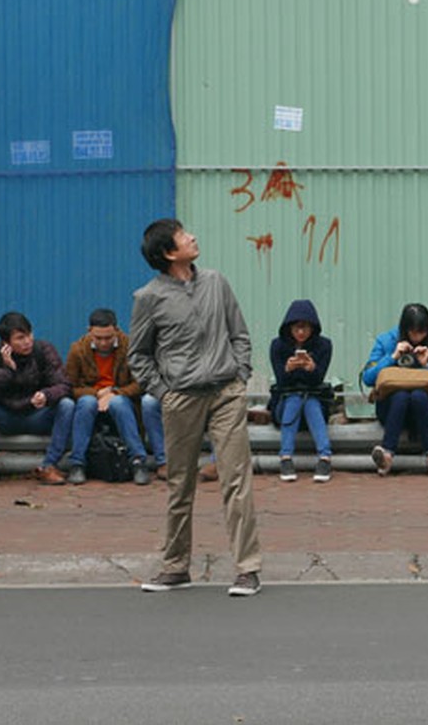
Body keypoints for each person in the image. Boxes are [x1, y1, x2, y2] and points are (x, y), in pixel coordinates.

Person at [128, 219, 262, 597]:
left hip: (225, 392)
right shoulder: (149, 297)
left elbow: (239, 332)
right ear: (170, 253)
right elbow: (138, 354)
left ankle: (247, 569)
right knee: (180, 483)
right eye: (185, 236)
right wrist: (163, 391)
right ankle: (175, 567)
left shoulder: (216, 282)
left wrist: (240, 372)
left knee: (236, 479)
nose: (193, 237)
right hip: (181, 398)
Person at [0, 311, 75, 485]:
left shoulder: (43, 350)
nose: (28, 341)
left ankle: (49, 466)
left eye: (29, 334)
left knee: (67, 405)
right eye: (20, 338)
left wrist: (46, 395)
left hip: (36, 415)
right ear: (6, 343)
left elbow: (65, 385)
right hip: (4, 416)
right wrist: (7, 371)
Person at [64, 308, 166, 486]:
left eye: (108, 337)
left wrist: (114, 393)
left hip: (124, 403)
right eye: (98, 338)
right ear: (89, 332)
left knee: (118, 402)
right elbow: (70, 387)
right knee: (86, 402)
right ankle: (77, 463)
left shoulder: (132, 347)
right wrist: (96, 394)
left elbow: (142, 383)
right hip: (92, 403)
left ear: (116, 330)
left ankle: (138, 461)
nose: (104, 343)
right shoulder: (77, 350)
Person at [361, 303, 428, 476]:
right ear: (404, 328)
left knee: (418, 395)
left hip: (419, 410)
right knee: (401, 395)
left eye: (422, 332)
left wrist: (426, 364)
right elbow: (368, 378)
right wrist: (392, 356)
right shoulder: (386, 341)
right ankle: (387, 455)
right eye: (413, 332)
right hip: (389, 408)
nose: (417, 337)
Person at [268, 299, 334, 483]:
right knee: (295, 397)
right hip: (286, 406)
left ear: (313, 327)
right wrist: (287, 369)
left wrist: (312, 368)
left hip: (314, 405)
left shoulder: (323, 346)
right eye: (296, 328)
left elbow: (318, 381)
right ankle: (287, 457)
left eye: (305, 328)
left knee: (308, 398)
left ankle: (323, 457)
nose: (300, 332)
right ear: (288, 328)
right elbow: (281, 383)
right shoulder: (278, 346)